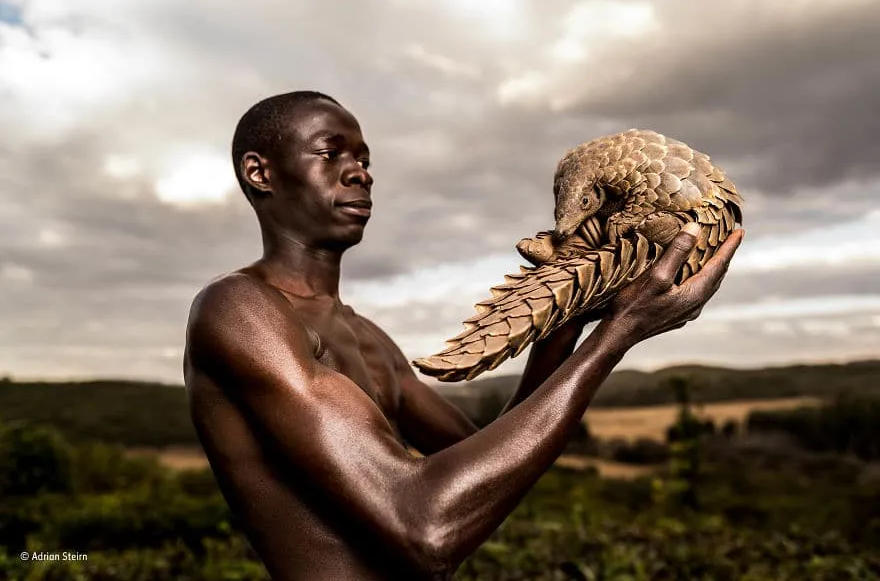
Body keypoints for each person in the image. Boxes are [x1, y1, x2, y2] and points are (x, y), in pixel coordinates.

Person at [183, 91, 744, 581]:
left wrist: (571, 310)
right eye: (331, 154)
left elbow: (486, 464)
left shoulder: (365, 337)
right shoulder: (239, 311)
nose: (360, 172)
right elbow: (427, 528)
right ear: (260, 173)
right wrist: (618, 336)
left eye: (364, 159)